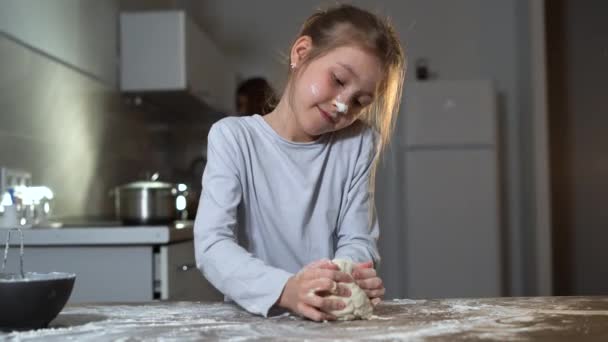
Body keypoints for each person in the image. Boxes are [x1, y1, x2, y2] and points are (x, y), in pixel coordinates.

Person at [194, 3, 405, 321]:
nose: (341, 105)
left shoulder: (358, 142)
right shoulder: (233, 138)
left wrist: (350, 277)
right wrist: (286, 289)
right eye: (337, 79)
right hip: (254, 321)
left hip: (326, 321)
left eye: (360, 101)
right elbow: (212, 245)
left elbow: (357, 238)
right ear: (301, 53)